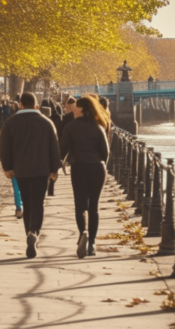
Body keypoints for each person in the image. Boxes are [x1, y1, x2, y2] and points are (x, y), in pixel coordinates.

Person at [0, 92, 61, 258]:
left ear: (20, 105)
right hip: (41, 170)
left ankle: (28, 233)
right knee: (38, 203)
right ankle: (34, 231)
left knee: (26, 203)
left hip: (21, 170)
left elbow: (3, 146)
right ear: (36, 106)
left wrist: (7, 167)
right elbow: (54, 147)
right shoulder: (46, 123)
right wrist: (55, 169)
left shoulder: (10, 123)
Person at [60, 95, 111, 258]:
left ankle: (83, 232)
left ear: (82, 109)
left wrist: (59, 165)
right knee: (94, 206)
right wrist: (102, 164)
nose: (73, 108)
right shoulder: (98, 127)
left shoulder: (70, 126)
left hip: (79, 166)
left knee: (80, 205)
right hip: (97, 167)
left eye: (76, 106)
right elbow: (105, 152)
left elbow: (63, 150)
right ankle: (92, 244)